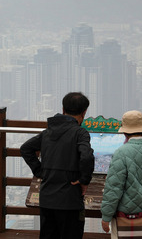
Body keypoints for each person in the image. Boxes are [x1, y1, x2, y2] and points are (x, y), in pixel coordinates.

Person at [20, 92, 95, 239]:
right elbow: (86, 157)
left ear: (63, 109)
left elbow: (25, 149)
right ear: (84, 112)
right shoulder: (80, 133)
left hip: (47, 198)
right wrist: (84, 180)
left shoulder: (47, 132)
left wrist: (40, 171)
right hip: (70, 200)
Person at [100, 110, 142, 239]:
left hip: (123, 215)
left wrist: (106, 216)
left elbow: (113, 188)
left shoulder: (121, 152)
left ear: (125, 131)